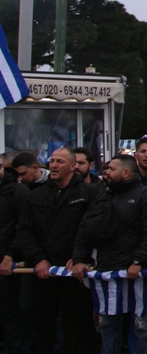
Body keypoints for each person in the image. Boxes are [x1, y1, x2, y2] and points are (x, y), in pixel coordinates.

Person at [10, 147, 99, 354]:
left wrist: (79, 257)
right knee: (43, 326)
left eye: (60, 161)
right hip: (45, 273)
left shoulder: (90, 194)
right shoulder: (36, 196)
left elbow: (92, 229)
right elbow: (24, 232)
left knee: (78, 327)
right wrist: (39, 259)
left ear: (73, 166)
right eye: (52, 161)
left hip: (75, 274)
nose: (54, 165)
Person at [71, 155, 147, 354]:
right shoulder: (100, 195)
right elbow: (85, 230)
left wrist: (139, 261)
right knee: (107, 325)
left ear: (126, 172)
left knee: (142, 326)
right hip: (106, 272)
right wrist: (79, 259)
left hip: (136, 273)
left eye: (111, 169)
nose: (106, 172)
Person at [0, 153, 33, 354]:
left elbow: (23, 226)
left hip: (10, 265)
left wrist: (10, 254)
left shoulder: (18, 191)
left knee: (10, 312)